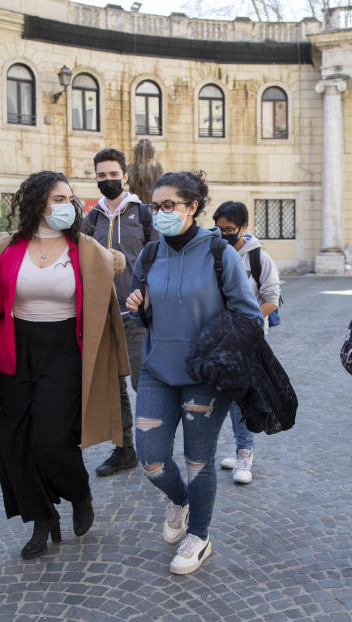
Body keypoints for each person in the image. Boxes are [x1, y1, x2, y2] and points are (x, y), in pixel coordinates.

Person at [0, 170, 128, 560]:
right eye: (57, 199)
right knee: (14, 442)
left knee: (53, 439)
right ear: (37, 202)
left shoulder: (83, 249)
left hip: (66, 350)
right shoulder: (8, 246)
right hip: (15, 350)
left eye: (69, 199)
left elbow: (109, 283)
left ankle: (78, 492)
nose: (66, 206)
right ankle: (42, 518)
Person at [124, 171, 262, 574]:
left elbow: (249, 316)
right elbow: (140, 315)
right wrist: (138, 308)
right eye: (156, 206)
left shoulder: (220, 253)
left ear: (192, 207)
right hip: (157, 371)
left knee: (198, 460)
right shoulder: (150, 255)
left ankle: (198, 535)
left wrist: (220, 347)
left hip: (206, 374)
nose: (160, 213)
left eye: (169, 206)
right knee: (150, 459)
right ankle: (181, 500)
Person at [83, 148, 157, 478]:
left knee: (145, 383)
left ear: (125, 176)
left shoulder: (143, 214)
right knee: (114, 386)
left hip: (137, 315)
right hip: (104, 316)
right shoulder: (92, 219)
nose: (108, 180)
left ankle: (155, 446)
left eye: (114, 174)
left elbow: (159, 260)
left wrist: (150, 300)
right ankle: (125, 449)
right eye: (101, 175)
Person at [212, 201, 281, 484]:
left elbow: (271, 300)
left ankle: (245, 452)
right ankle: (237, 446)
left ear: (244, 227)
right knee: (220, 395)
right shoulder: (211, 251)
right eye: (219, 229)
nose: (224, 234)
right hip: (214, 338)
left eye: (230, 229)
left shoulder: (259, 259)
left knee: (242, 396)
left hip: (247, 338)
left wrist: (244, 323)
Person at [127, 139, 163, 205]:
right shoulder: (157, 168)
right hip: (152, 206)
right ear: (152, 153)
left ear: (136, 153)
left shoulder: (129, 168)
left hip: (135, 205)